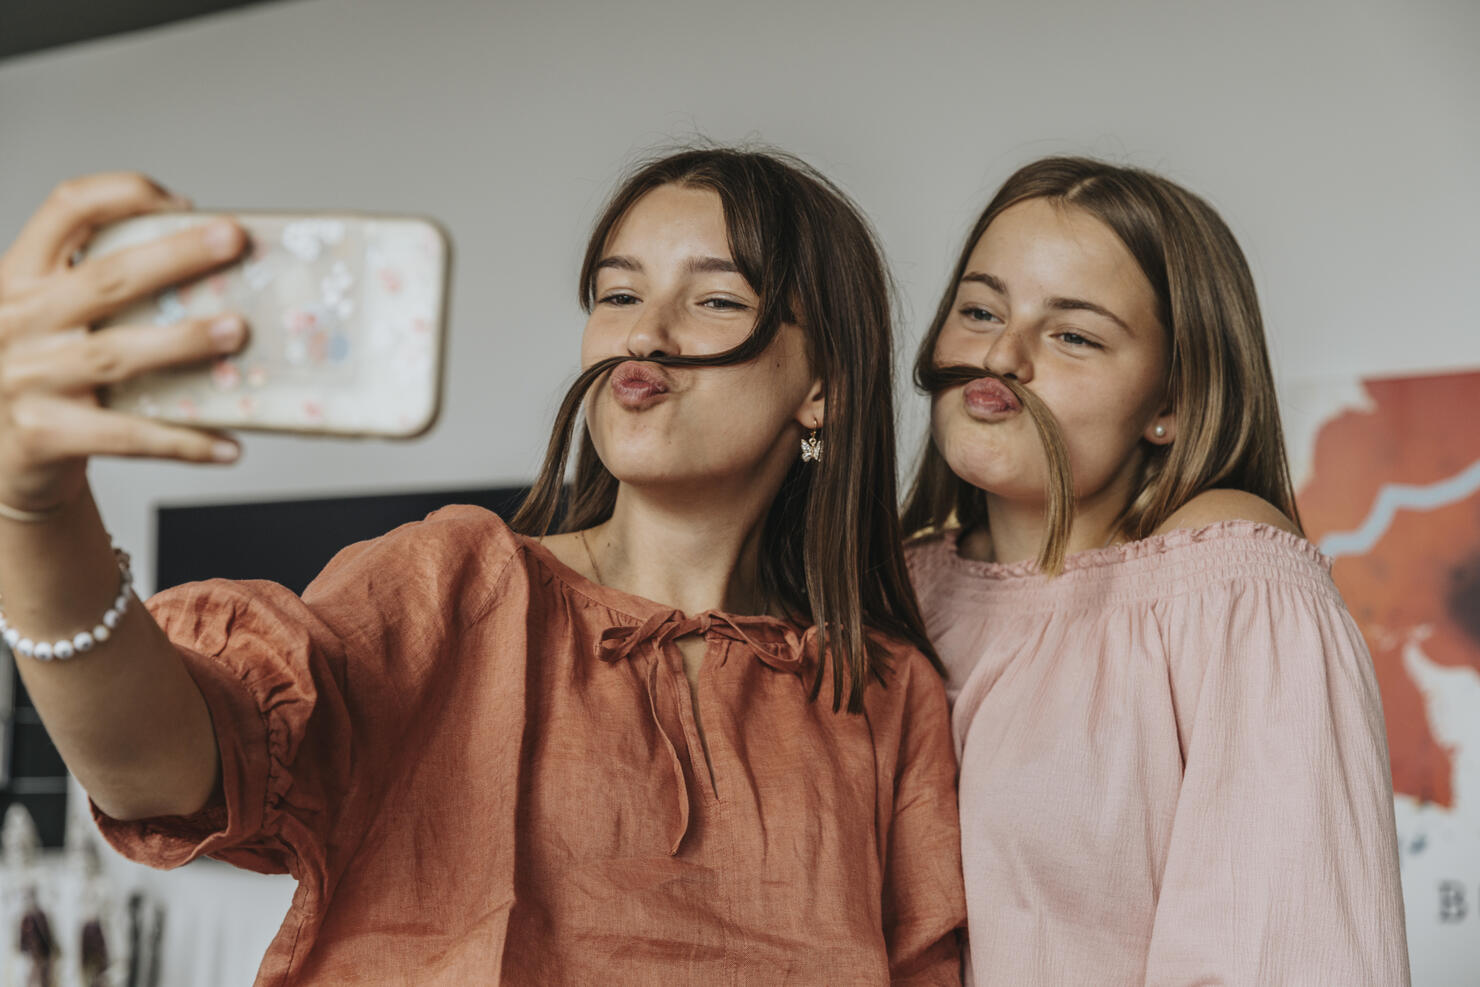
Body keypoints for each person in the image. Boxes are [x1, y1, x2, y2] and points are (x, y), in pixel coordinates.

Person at [0, 149, 966, 983]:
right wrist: (31, 508)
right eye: (619, 294)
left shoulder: (885, 695)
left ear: (824, 388)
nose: (643, 332)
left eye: (715, 299)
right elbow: (163, 768)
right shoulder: (459, 586)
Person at [901, 156, 1409, 984]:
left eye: (1073, 334)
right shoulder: (891, 595)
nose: (1003, 354)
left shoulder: (1231, 586)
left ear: (1170, 401)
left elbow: (1279, 955)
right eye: (981, 308)